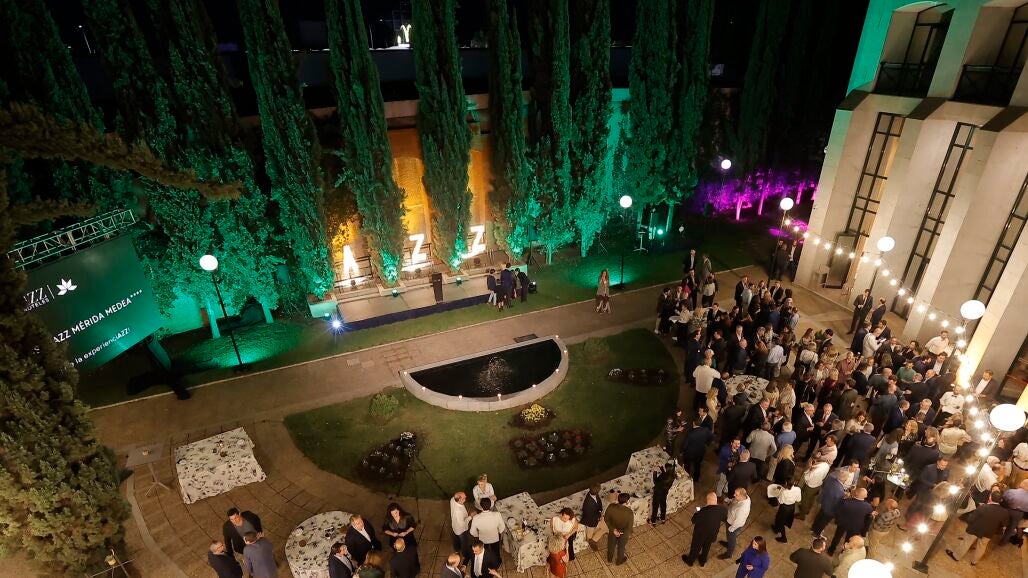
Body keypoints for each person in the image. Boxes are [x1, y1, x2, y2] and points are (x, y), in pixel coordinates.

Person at [946, 490, 1009, 565]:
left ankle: (956, 556)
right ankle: (974, 561)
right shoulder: (1005, 512)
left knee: (966, 543)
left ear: (990, 497)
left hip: (975, 529)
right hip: (989, 532)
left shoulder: (983, 507)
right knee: (981, 547)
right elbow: (1002, 525)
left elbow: (970, 519)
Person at [682, 492, 728, 567]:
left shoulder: (702, 511)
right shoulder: (723, 509)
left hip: (700, 534)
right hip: (712, 533)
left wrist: (697, 512)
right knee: (707, 546)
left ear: (708, 501)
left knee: (696, 547)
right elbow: (724, 519)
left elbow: (693, 520)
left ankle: (690, 561)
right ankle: (702, 560)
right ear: (716, 500)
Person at [827, 488, 873, 554]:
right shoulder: (868, 507)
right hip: (855, 527)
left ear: (856, 493)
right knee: (849, 540)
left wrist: (837, 520)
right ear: (865, 496)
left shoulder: (846, 502)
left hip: (843, 523)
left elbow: (838, 512)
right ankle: (843, 552)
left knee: (837, 536)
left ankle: (831, 550)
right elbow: (868, 518)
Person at [719, 488, 752, 559]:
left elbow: (739, 521)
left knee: (732, 539)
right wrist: (730, 500)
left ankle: (729, 554)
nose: (734, 495)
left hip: (733, 525)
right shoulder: (744, 498)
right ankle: (728, 543)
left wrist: (732, 528)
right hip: (730, 518)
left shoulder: (743, 508)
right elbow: (735, 500)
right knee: (729, 536)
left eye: (736, 495)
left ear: (742, 496)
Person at [603, 492, 634, 565]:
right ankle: (619, 560)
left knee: (611, 545)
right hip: (623, 533)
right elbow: (629, 527)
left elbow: (606, 519)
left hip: (613, 530)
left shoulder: (611, 506)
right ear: (627, 502)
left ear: (618, 499)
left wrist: (613, 530)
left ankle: (609, 559)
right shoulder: (629, 512)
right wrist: (624, 533)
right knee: (621, 547)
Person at [449, 492, 472, 560]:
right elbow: (462, 524)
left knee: (456, 537)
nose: (466, 498)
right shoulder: (458, 511)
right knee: (464, 542)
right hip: (461, 529)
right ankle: (465, 554)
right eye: (464, 498)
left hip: (455, 526)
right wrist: (470, 517)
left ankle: (456, 549)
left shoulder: (452, 500)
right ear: (459, 500)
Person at [580, 485, 603, 549]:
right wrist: (599, 515)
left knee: (598, 529)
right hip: (590, 520)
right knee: (589, 534)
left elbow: (599, 503)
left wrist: (600, 511)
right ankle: (589, 543)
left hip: (593, 516)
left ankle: (592, 540)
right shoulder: (589, 503)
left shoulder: (593, 494)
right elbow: (590, 516)